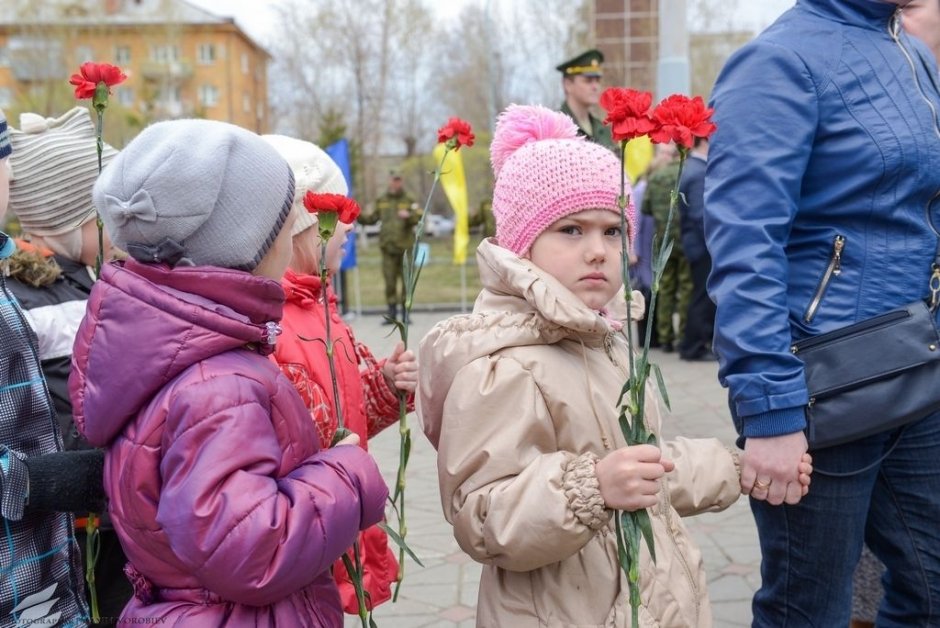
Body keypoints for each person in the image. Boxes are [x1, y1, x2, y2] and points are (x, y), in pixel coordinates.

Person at [417, 105, 808, 626]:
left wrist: (738, 468)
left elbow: (644, 467)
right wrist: (591, 487)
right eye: (571, 231)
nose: (598, 252)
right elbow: (483, 518)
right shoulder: (502, 366)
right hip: (559, 608)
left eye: (612, 231)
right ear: (520, 244)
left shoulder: (604, 338)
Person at [68, 119, 388, 625]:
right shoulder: (218, 383)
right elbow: (251, 550)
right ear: (249, 244)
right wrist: (347, 474)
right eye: (283, 221)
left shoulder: (184, 351)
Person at [705, 1, 940, 625]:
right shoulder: (777, 62)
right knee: (807, 610)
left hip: (919, 366)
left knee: (933, 589)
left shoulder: (907, 51)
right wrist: (771, 410)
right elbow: (743, 245)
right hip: (823, 385)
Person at [262, 134, 418, 614]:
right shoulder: (270, 324)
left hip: (333, 517)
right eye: (338, 216)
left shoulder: (322, 310)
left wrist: (385, 385)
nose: (349, 227)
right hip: (303, 534)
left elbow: (348, 410)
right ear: (302, 228)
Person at [5, 107, 133, 621]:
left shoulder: (88, 281)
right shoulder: (33, 298)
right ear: (68, 216)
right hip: (73, 507)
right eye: (108, 217)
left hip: (103, 501)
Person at [641, 143, 690, 352]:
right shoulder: (685, 175)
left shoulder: (655, 178)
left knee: (665, 287)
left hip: (663, 239)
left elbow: (646, 208)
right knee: (687, 286)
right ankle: (683, 336)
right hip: (686, 239)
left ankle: (664, 336)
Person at [358, 170, 420, 323]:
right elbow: (371, 219)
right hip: (388, 248)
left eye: (398, 180)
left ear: (402, 181)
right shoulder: (382, 200)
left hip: (405, 249)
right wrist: (356, 213)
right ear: (390, 180)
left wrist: (410, 216)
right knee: (390, 282)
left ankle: (406, 315)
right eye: (394, 179)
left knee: (407, 282)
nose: (396, 182)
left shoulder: (409, 199)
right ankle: (392, 315)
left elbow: (420, 217)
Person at [676, 137, 715, 362]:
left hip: (695, 243)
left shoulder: (691, 166)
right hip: (702, 245)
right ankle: (693, 347)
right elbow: (700, 216)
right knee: (702, 297)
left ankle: (695, 344)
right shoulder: (699, 171)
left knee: (699, 294)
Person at [556, 48, 618, 153]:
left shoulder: (602, 130)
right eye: (588, 81)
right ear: (568, 84)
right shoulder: (556, 127)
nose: (595, 87)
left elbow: (616, 166)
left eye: (598, 80)